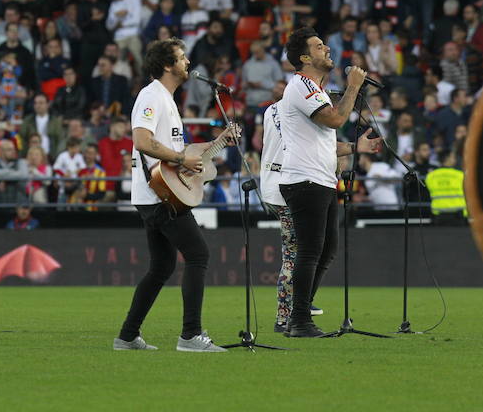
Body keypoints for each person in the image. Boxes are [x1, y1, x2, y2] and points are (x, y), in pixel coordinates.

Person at [114, 37, 231, 353]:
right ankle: (191, 336)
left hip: (158, 194)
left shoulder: (166, 98)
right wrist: (181, 159)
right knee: (198, 255)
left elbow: (181, 155)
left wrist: (218, 141)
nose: (187, 63)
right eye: (181, 57)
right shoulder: (152, 96)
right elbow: (141, 140)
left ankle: (127, 336)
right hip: (159, 196)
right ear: (167, 65)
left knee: (162, 267)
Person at [260, 90, 378, 332]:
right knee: (295, 253)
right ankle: (287, 316)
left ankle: (300, 303)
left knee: (310, 250)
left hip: (278, 181)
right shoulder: (299, 113)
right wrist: (355, 147)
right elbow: (316, 149)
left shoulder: (272, 110)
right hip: (290, 183)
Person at [278, 27, 370, 337]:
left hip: (321, 177)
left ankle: (299, 312)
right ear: (304, 58)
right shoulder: (301, 86)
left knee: (326, 248)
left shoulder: (315, 90)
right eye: (318, 47)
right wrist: (353, 88)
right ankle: (299, 319)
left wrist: (358, 147)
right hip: (304, 180)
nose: (327, 49)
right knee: (310, 250)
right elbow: (335, 120)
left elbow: (325, 142)